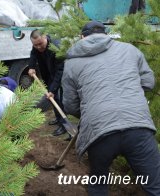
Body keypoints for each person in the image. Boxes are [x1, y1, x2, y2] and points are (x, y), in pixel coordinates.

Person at [62, 20, 160, 195]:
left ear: (82, 37)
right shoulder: (130, 50)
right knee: (155, 186)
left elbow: (69, 104)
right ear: (105, 34)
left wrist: (90, 112)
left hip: (99, 133)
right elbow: (148, 82)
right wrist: (131, 94)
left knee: (98, 185)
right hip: (137, 127)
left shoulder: (71, 63)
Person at [28, 29, 67, 137]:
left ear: (45, 37)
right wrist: (31, 66)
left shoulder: (56, 48)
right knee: (52, 99)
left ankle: (64, 125)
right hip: (48, 72)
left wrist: (53, 90)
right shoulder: (37, 45)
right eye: (35, 45)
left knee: (59, 98)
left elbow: (60, 71)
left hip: (60, 75)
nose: (38, 47)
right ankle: (58, 118)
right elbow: (33, 54)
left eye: (40, 44)